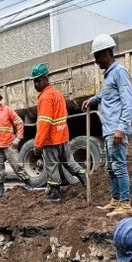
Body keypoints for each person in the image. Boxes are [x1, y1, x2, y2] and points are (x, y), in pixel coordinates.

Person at [82, 34, 132, 218]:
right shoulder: (109, 75)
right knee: (110, 168)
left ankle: (125, 204)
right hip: (108, 130)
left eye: (97, 56)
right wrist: (92, 99)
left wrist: (121, 128)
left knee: (119, 166)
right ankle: (115, 200)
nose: (96, 61)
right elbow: (106, 95)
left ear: (106, 53)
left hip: (116, 130)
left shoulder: (120, 72)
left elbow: (128, 102)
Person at [31, 63, 87, 203]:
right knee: (69, 161)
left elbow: (44, 123)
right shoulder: (58, 94)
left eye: (38, 81)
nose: (36, 84)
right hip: (63, 136)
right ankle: (86, 181)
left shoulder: (45, 97)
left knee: (52, 166)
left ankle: (55, 195)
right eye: (34, 81)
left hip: (51, 140)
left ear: (46, 79)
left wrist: (38, 144)